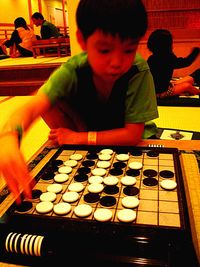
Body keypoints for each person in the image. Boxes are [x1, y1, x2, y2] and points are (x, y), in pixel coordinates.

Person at [0, 0, 158, 204]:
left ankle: (76, 141)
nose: (117, 62)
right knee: (50, 98)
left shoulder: (138, 69)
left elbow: (132, 134)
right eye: (104, 50)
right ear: (82, 40)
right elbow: (32, 106)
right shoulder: (73, 69)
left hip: (131, 140)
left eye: (129, 50)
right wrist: (8, 136)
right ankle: (74, 147)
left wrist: (78, 138)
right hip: (91, 132)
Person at [147, 29, 200, 98]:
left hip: (155, 90)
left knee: (184, 83)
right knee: (187, 86)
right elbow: (186, 62)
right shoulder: (167, 58)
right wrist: (195, 52)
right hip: (161, 93)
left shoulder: (152, 58)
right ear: (167, 46)